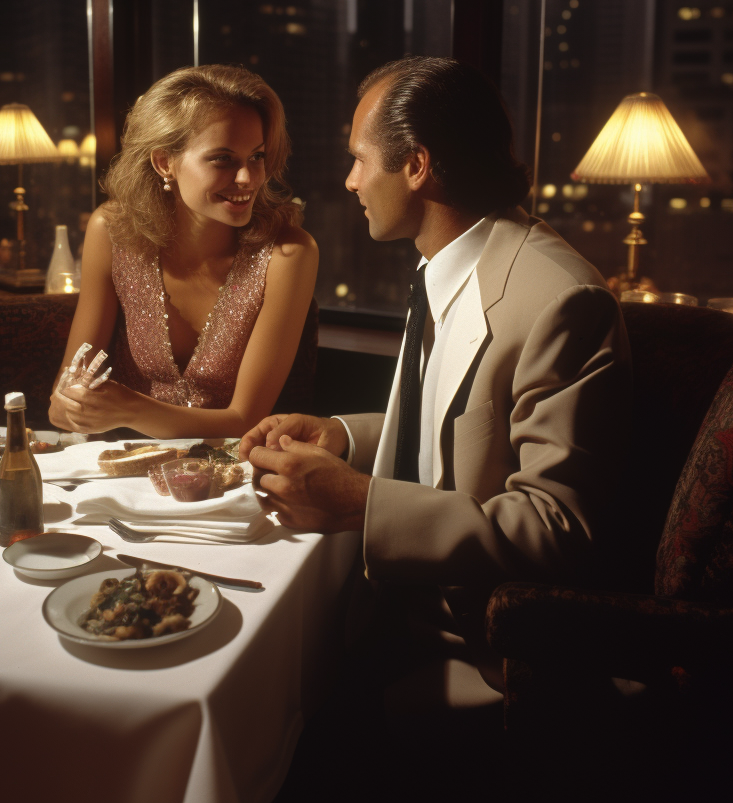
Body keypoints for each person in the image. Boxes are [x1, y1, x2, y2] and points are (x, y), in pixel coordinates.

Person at [242, 56, 631, 700]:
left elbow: (556, 530)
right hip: (396, 613)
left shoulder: (558, 300)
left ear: (417, 166)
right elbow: (446, 435)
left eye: (360, 159)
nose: (350, 181)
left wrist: (362, 502)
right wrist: (343, 436)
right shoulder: (445, 268)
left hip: (477, 656)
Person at [50, 64, 318, 439]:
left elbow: (244, 421)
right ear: (165, 162)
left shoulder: (290, 254)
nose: (248, 178)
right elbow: (62, 403)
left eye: (256, 157)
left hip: (230, 474)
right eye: (223, 159)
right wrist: (72, 404)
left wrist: (127, 408)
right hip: (117, 466)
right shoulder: (110, 232)